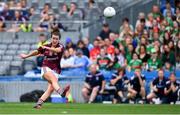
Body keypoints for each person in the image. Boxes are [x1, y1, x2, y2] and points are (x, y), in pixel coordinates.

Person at [20, 28, 70, 109]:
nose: (54, 40)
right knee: (53, 80)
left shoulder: (61, 46)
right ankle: (61, 93)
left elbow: (57, 50)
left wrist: (47, 48)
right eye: (53, 38)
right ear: (51, 38)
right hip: (46, 67)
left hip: (56, 70)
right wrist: (26, 56)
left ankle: (39, 103)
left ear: (59, 39)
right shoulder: (46, 46)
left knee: (50, 89)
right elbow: (36, 52)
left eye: (56, 39)